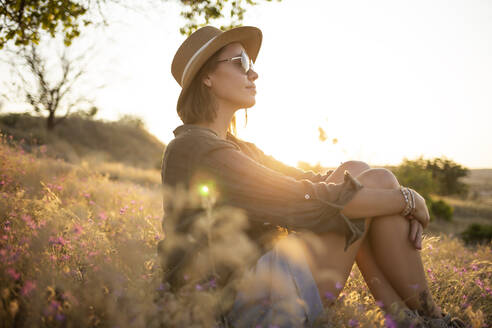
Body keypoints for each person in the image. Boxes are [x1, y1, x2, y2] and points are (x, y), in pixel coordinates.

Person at [160, 25, 466, 328]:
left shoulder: (238, 148)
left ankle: (415, 320)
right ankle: (433, 319)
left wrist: (403, 198)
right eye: (241, 63)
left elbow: (306, 181)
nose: (253, 74)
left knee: (361, 174)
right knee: (366, 189)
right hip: (233, 303)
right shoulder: (194, 147)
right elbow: (300, 200)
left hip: (259, 280)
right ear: (208, 77)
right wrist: (406, 200)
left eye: (251, 65)